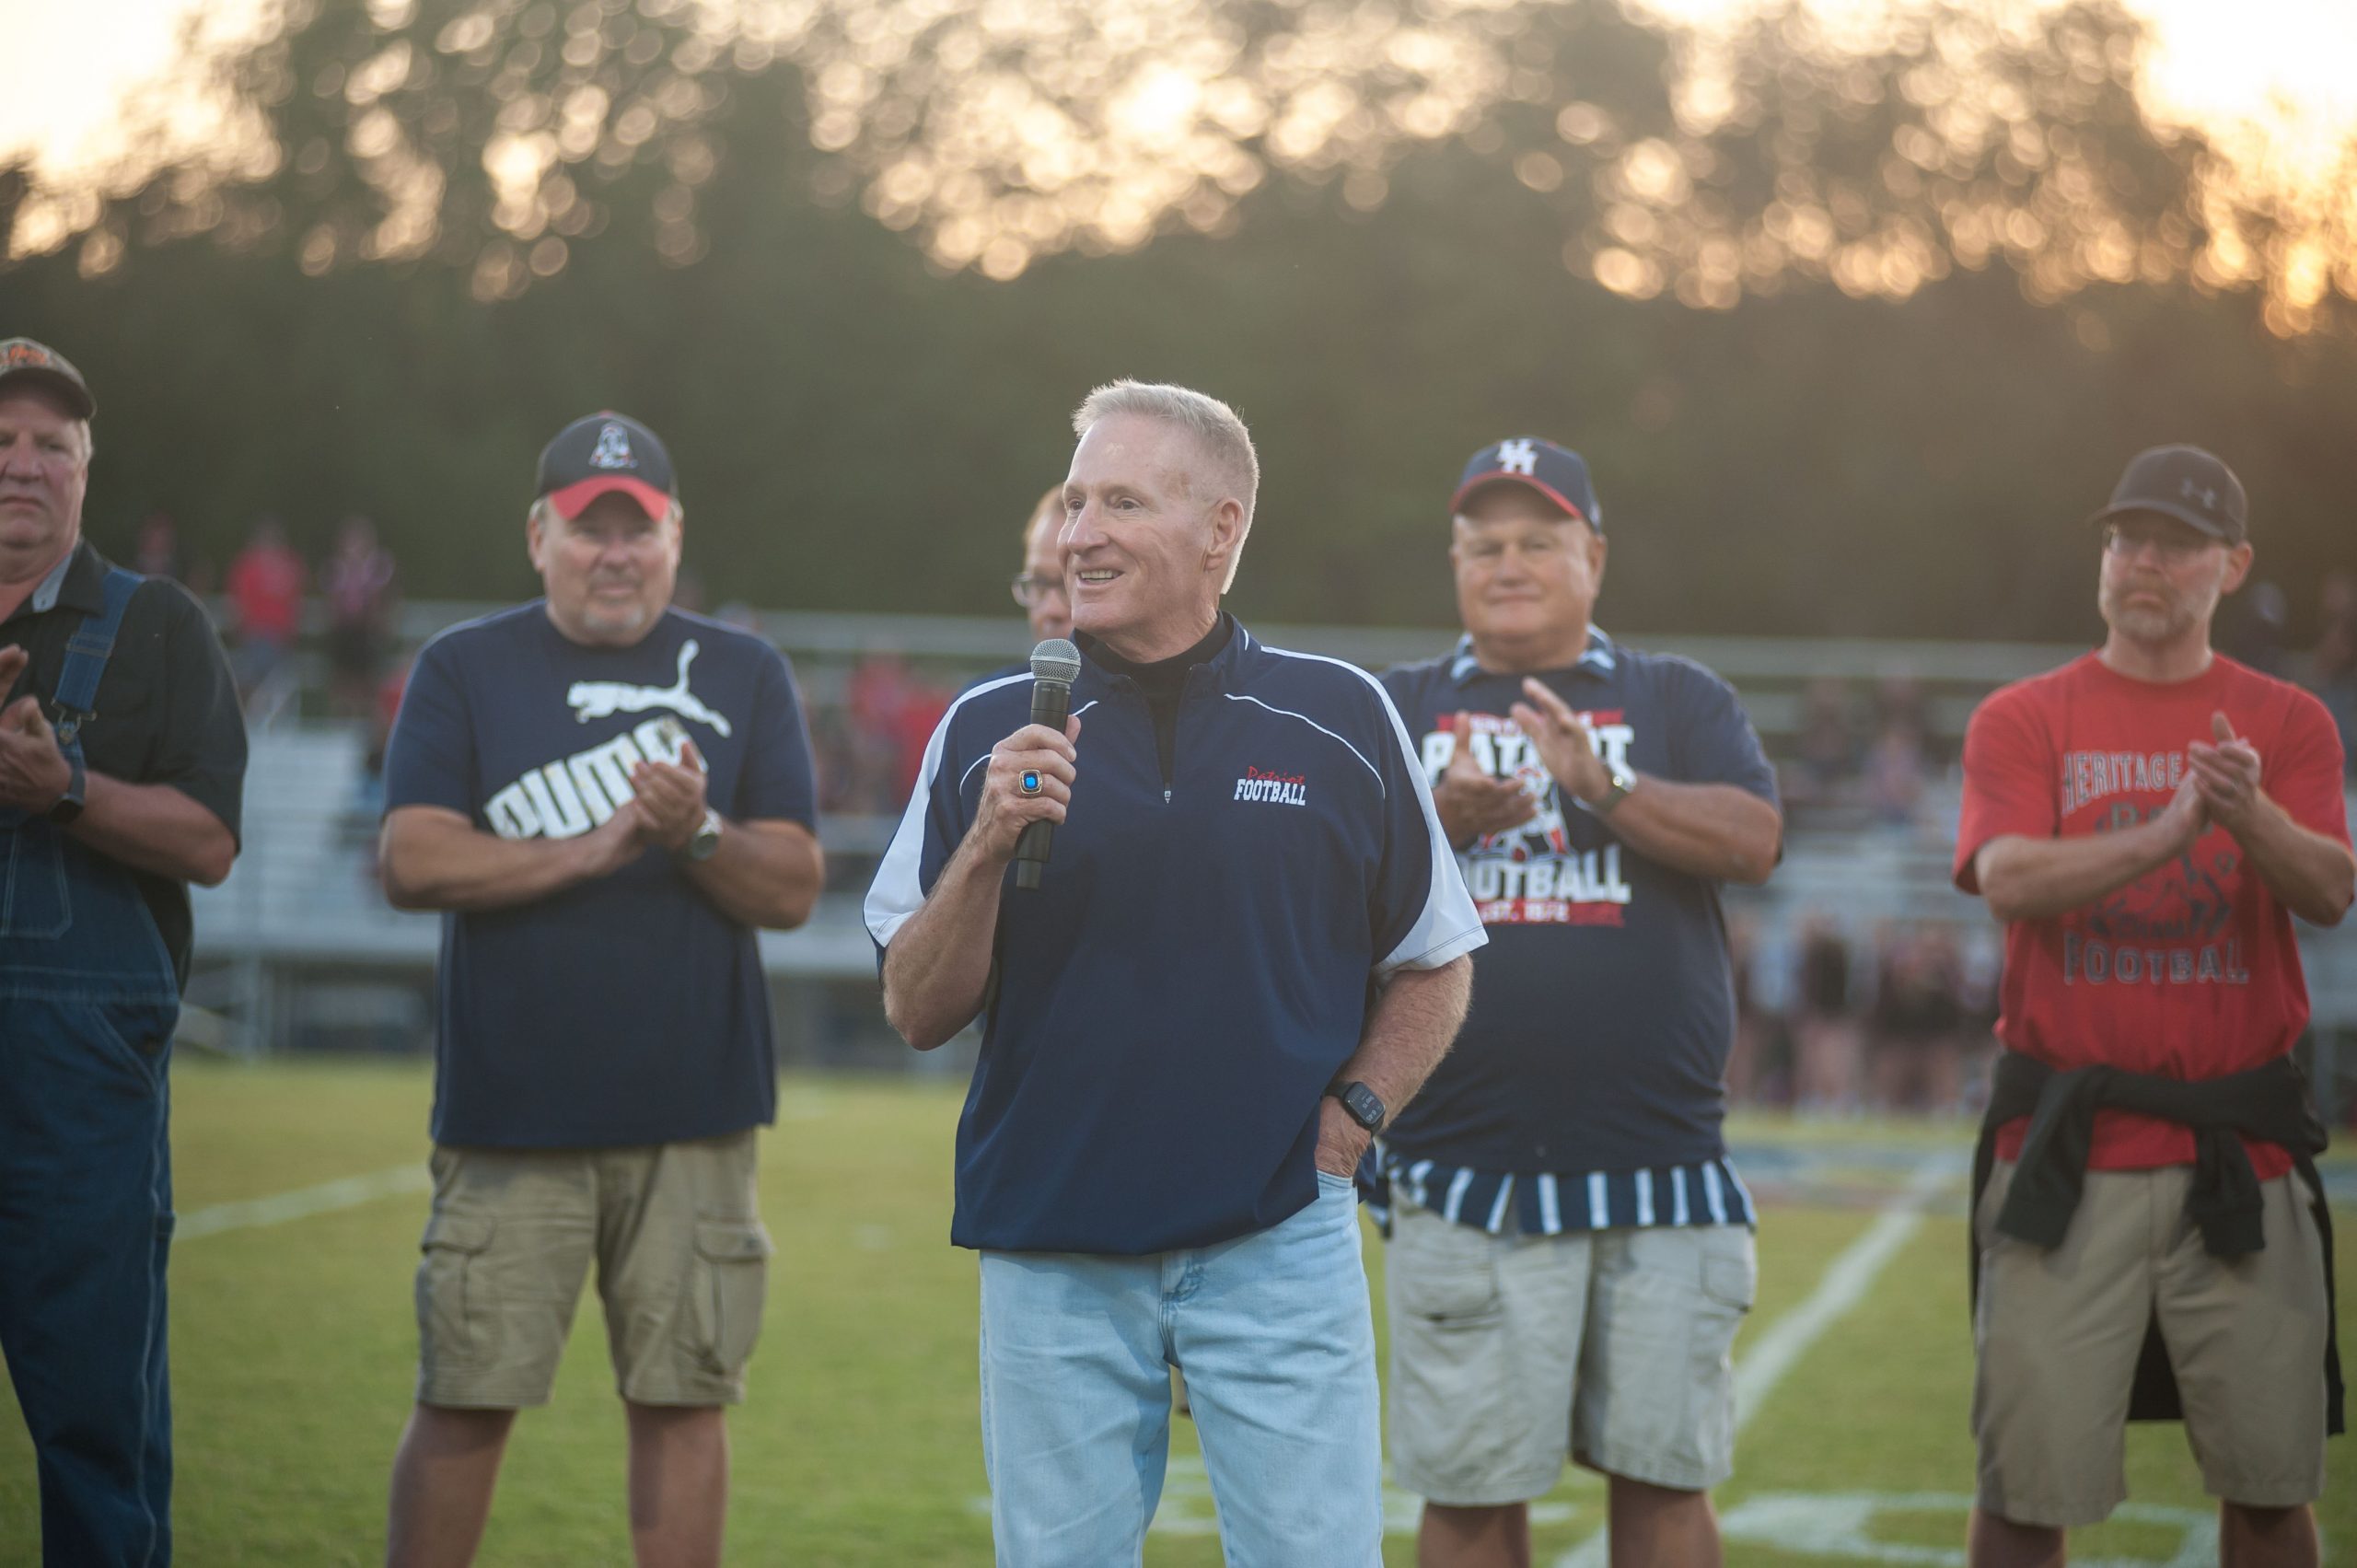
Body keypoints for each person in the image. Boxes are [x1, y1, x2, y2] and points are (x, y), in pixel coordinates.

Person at [865, 380, 1483, 1567]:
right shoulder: (986, 726)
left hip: (1277, 1236)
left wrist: (1349, 1125)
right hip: (1050, 1251)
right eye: (1076, 501)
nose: (1079, 532)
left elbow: (1433, 958)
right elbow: (915, 1005)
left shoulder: (1338, 714)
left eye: (1123, 502)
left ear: (1222, 529)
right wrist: (989, 847)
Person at [377, 411, 825, 1568]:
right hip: (509, 1115)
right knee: (466, 1394)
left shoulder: (743, 669)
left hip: (696, 1113)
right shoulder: (465, 667)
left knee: (684, 1400)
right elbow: (412, 858)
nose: (614, 552)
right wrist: (586, 850)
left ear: (676, 537)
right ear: (540, 536)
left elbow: (793, 885)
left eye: (639, 529)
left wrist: (698, 834)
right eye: (589, 529)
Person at [1374, 436, 1782, 1568]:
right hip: (1461, 1163)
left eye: (1537, 541)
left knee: (1662, 1479)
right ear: (1454, 562)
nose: (1508, 564)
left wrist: (1604, 784)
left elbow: (1755, 841)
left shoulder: (1673, 695)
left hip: (1662, 1162)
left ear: (1592, 554)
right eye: (1483, 545)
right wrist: (1439, 821)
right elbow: (1319, 895)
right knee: (1468, 1489)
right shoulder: (1394, 705)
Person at [1955, 444, 2352, 1568]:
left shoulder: (2288, 721)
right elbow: (2006, 878)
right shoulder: (2024, 716)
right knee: (2025, 1491)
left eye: (2176, 544)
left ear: (2231, 565)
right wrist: (2169, 832)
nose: (2143, 562)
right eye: (2125, 538)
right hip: (2064, 1154)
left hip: (2243, 1155)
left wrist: (2248, 812)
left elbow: (2327, 886)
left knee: (2270, 1487)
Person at [0, 337, 247, 1565]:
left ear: (86, 471)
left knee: (97, 1430)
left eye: (52, 443)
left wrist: (63, 788)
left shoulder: (157, 628)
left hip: (77, 1092)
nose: (22, 465)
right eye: (1, 442)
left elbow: (209, 840)